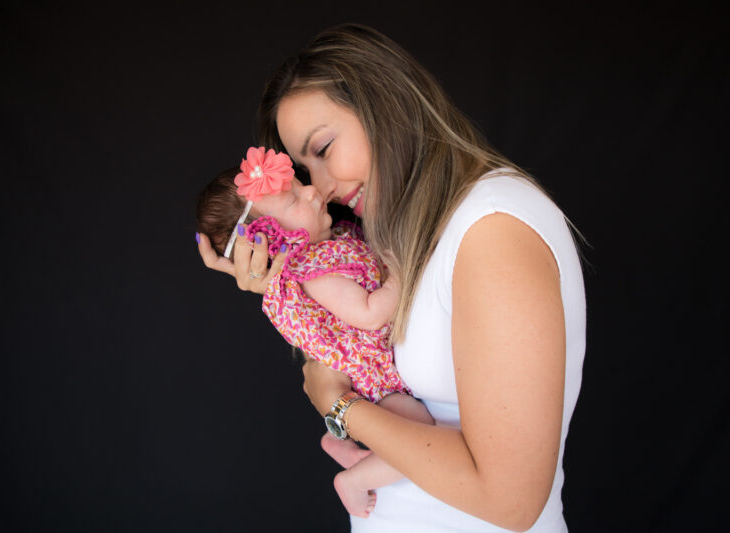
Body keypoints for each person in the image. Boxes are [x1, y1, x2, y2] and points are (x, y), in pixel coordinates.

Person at [197, 23, 586, 533]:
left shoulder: (494, 228)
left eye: (324, 148)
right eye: (303, 174)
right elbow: (350, 342)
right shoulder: (397, 236)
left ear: (385, 106)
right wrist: (275, 284)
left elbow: (511, 501)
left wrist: (340, 407)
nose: (323, 189)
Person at [195, 147, 434, 518]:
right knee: (419, 432)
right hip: (378, 383)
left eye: (300, 185)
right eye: (292, 198)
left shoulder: (332, 246)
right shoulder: (316, 271)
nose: (312, 191)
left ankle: (336, 443)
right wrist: (400, 271)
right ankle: (351, 480)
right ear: (270, 239)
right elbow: (370, 314)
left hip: (367, 369)